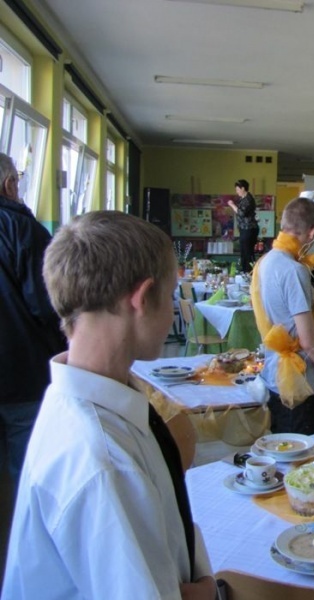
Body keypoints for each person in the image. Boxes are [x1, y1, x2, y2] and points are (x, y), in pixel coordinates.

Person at [2, 211, 216, 599]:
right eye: (168, 298)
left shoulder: (105, 398)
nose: (171, 313)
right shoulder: (101, 458)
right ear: (141, 298)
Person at [0, 153, 66, 481]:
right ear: (9, 184)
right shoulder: (23, 229)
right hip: (21, 365)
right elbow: (46, 303)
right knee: (25, 461)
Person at [251, 196, 314, 434]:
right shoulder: (294, 270)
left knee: (282, 445)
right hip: (299, 380)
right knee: (301, 454)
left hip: (274, 373)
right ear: (313, 231)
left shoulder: (266, 261)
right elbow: (308, 341)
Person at [227, 179, 259, 273]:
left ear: (243, 188)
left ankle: (249, 272)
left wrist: (232, 205)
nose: (236, 192)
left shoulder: (248, 199)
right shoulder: (243, 199)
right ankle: (245, 271)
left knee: (247, 252)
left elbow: (241, 213)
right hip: (244, 229)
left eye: (237, 189)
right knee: (244, 252)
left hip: (249, 229)